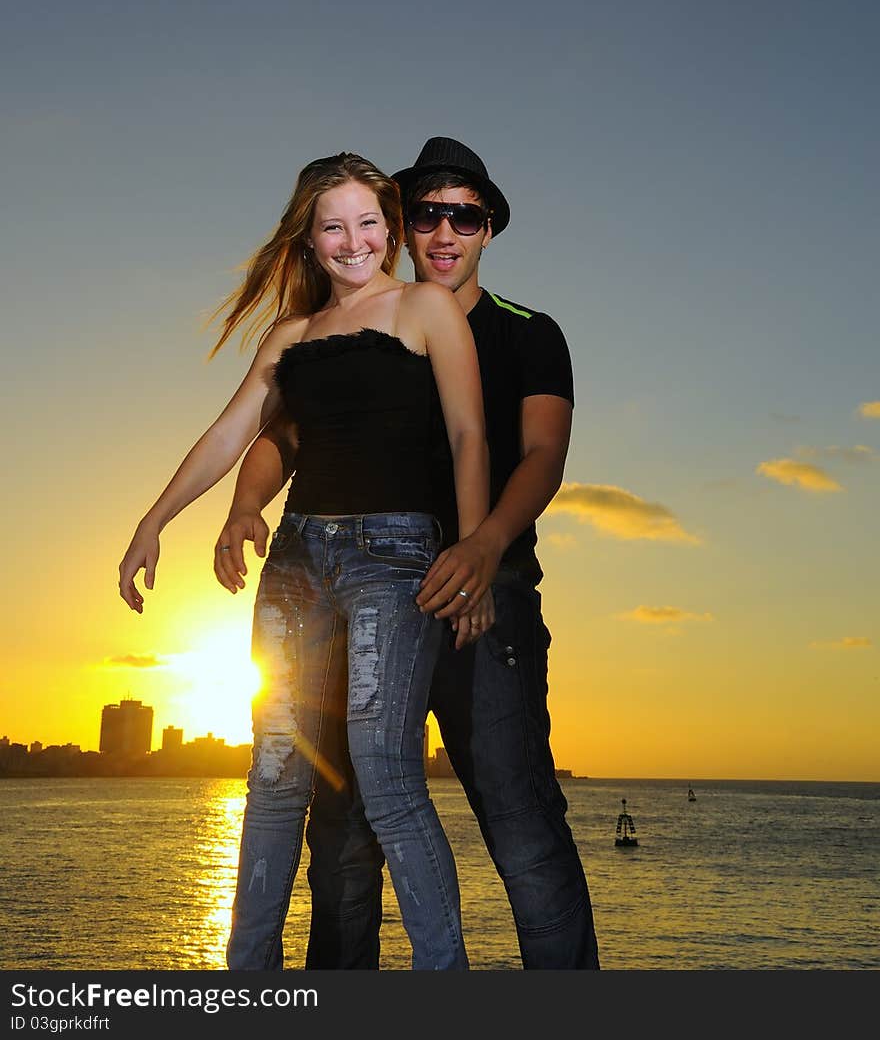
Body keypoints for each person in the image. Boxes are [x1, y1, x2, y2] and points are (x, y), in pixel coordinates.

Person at [218, 136, 601, 970]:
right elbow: (283, 432)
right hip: (352, 594)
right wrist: (245, 502)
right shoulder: (362, 323)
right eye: (424, 212)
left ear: (488, 227)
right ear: (401, 224)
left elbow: (541, 454)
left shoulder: (529, 334)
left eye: (463, 214)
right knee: (344, 837)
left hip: (479, 594)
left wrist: (485, 545)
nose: (443, 230)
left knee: (519, 821)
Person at [117, 150, 491, 971]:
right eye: (334, 225)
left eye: (368, 221)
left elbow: (469, 433)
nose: (353, 240)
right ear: (310, 238)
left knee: (386, 770)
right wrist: (156, 519)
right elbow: (231, 433)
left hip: (396, 560)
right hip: (295, 561)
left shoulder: (426, 307)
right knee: (276, 776)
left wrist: (473, 554)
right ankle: (247, 979)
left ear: (387, 229)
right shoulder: (291, 336)